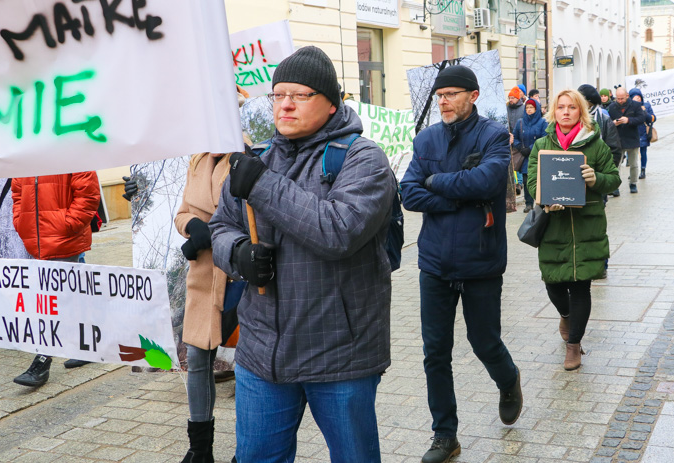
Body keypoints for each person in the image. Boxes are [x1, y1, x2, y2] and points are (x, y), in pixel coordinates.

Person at [210, 46, 396, 463]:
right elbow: (221, 225)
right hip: (262, 354)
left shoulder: (363, 159)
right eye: (279, 95)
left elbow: (339, 231)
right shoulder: (257, 158)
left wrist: (261, 186)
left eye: (301, 94)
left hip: (339, 352)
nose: (286, 104)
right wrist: (237, 253)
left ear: (332, 104)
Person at [401, 64, 522, 463]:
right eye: (439, 96)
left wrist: (436, 182)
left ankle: (508, 380)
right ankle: (444, 435)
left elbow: (487, 182)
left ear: (472, 96)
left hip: (481, 261)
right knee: (435, 351)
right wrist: (456, 197)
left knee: (483, 341)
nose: (444, 102)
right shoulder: (427, 139)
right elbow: (408, 192)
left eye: (451, 94)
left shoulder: (493, 136)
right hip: (434, 262)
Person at [527, 90, 620, 370]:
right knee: (553, 283)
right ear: (553, 112)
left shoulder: (595, 145)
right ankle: (566, 314)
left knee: (581, 286)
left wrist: (597, 178)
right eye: (560, 107)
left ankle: (574, 345)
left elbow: (613, 179)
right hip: (553, 227)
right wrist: (543, 197)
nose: (566, 112)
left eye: (572, 108)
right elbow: (533, 181)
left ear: (581, 112)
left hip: (586, 226)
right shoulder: (542, 145)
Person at [11, 172, 100, 387]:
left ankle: (43, 361)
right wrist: (21, 222)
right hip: (37, 240)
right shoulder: (26, 154)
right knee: (73, 295)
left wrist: (66, 225)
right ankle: (87, 344)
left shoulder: (71, 146)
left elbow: (88, 195)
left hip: (64, 239)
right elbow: (17, 194)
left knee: (52, 302)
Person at [512, 98, 548, 212]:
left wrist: (531, 148)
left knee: (539, 179)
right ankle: (528, 204)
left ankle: (541, 201)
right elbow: (515, 137)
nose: (529, 110)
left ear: (536, 108)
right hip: (524, 157)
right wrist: (520, 148)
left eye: (531, 108)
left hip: (538, 156)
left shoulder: (542, 122)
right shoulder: (520, 122)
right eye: (527, 108)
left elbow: (544, 138)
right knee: (527, 180)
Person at [607, 87, 645, 194]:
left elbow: (641, 119)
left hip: (632, 138)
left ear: (627, 96)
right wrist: (613, 123)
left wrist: (629, 120)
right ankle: (615, 186)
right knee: (616, 165)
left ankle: (633, 183)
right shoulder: (612, 107)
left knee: (633, 164)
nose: (620, 101)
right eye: (618, 98)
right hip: (618, 140)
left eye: (622, 98)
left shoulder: (636, 105)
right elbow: (607, 122)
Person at [629, 89, 655, 180]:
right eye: (635, 98)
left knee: (643, 152)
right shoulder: (628, 107)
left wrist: (645, 112)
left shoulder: (646, 106)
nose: (637, 99)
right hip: (632, 132)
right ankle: (633, 171)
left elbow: (652, 118)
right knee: (632, 153)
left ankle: (643, 170)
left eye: (639, 97)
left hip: (643, 132)